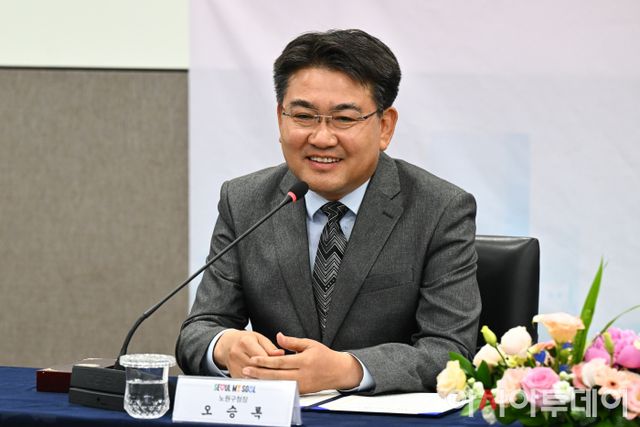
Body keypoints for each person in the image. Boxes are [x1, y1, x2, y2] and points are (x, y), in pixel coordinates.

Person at [176, 29, 481, 395]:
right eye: (304, 116)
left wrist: (346, 370)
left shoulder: (439, 209)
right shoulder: (244, 201)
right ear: (280, 118)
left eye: (344, 119)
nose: (321, 138)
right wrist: (225, 346)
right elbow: (199, 331)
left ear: (385, 127)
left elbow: (449, 351)